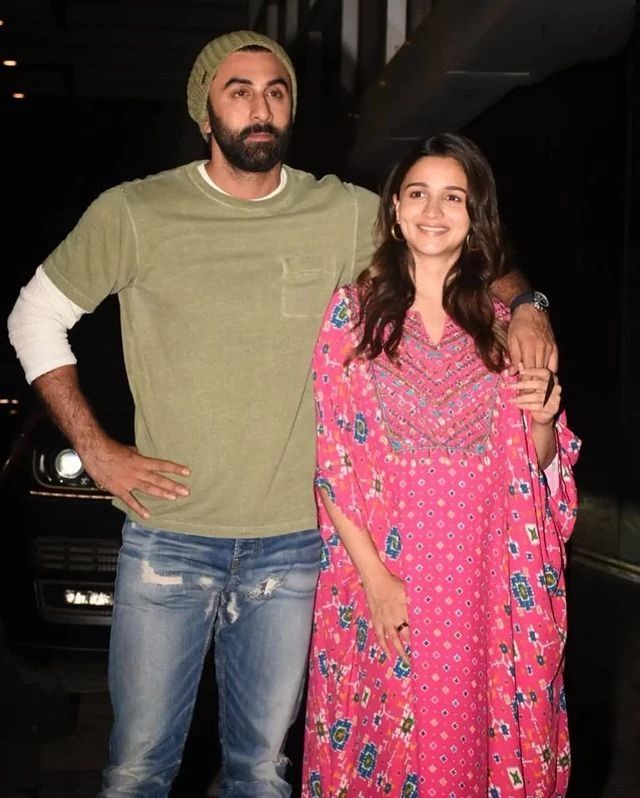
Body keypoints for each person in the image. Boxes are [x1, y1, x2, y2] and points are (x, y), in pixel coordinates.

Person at [7, 30, 555, 797]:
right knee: (137, 768)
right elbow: (33, 317)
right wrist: (97, 449)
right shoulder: (135, 212)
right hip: (171, 536)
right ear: (205, 111)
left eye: (276, 91)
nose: (259, 106)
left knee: (262, 770)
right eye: (238, 90)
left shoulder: (340, 211)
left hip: (292, 548)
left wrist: (528, 305)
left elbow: (449, 241)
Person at [302, 133, 580, 797]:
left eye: (453, 197)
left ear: (474, 215)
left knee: (466, 750)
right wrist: (375, 579)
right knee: (385, 746)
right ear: (395, 210)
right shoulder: (352, 315)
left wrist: (544, 420)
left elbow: (537, 468)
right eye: (419, 194)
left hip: (483, 582)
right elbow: (333, 460)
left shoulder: (504, 325)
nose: (434, 210)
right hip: (385, 571)